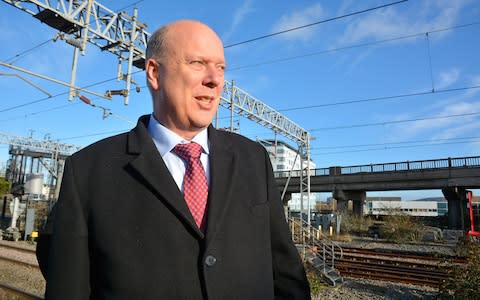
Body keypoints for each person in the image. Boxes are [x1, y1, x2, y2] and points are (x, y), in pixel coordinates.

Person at [36, 19, 311, 299]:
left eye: (221, 68)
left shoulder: (253, 159)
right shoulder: (87, 171)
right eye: (197, 63)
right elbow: (67, 284)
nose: (214, 80)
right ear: (154, 73)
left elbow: (286, 273)